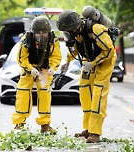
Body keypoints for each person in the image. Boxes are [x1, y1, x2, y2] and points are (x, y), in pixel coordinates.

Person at [57, 10, 117, 143]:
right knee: (85, 92)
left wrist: (93, 63)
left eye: (68, 30)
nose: (68, 33)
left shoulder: (95, 29)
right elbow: (77, 48)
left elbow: (110, 51)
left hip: (105, 62)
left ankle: (95, 132)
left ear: (75, 26)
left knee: (98, 94)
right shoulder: (76, 33)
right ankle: (88, 128)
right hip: (89, 61)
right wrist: (67, 61)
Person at [12, 16, 62, 132]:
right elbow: (21, 58)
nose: (41, 36)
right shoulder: (26, 39)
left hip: (45, 69)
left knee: (45, 95)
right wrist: (30, 69)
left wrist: (52, 68)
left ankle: (45, 124)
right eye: (38, 33)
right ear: (33, 32)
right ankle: (19, 123)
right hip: (29, 69)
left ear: (48, 32)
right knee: (23, 94)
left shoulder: (53, 39)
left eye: (44, 33)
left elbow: (56, 56)